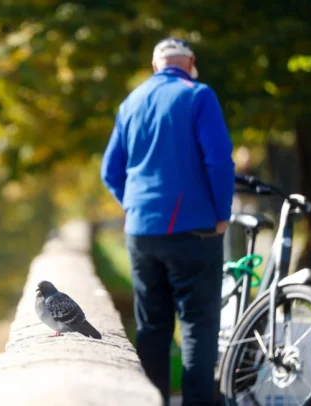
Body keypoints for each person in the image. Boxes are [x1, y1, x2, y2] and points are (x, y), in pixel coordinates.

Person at [100, 37, 235, 406]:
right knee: (197, 324)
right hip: (194, 230)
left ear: (154, 66)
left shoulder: (131, 102)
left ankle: (153, 401)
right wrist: (222, 214)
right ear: (190, 62)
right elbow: (219, 161)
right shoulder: (199, 95)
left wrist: (135, 206)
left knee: (153, 327)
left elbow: (110, 171)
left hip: (142, 232)